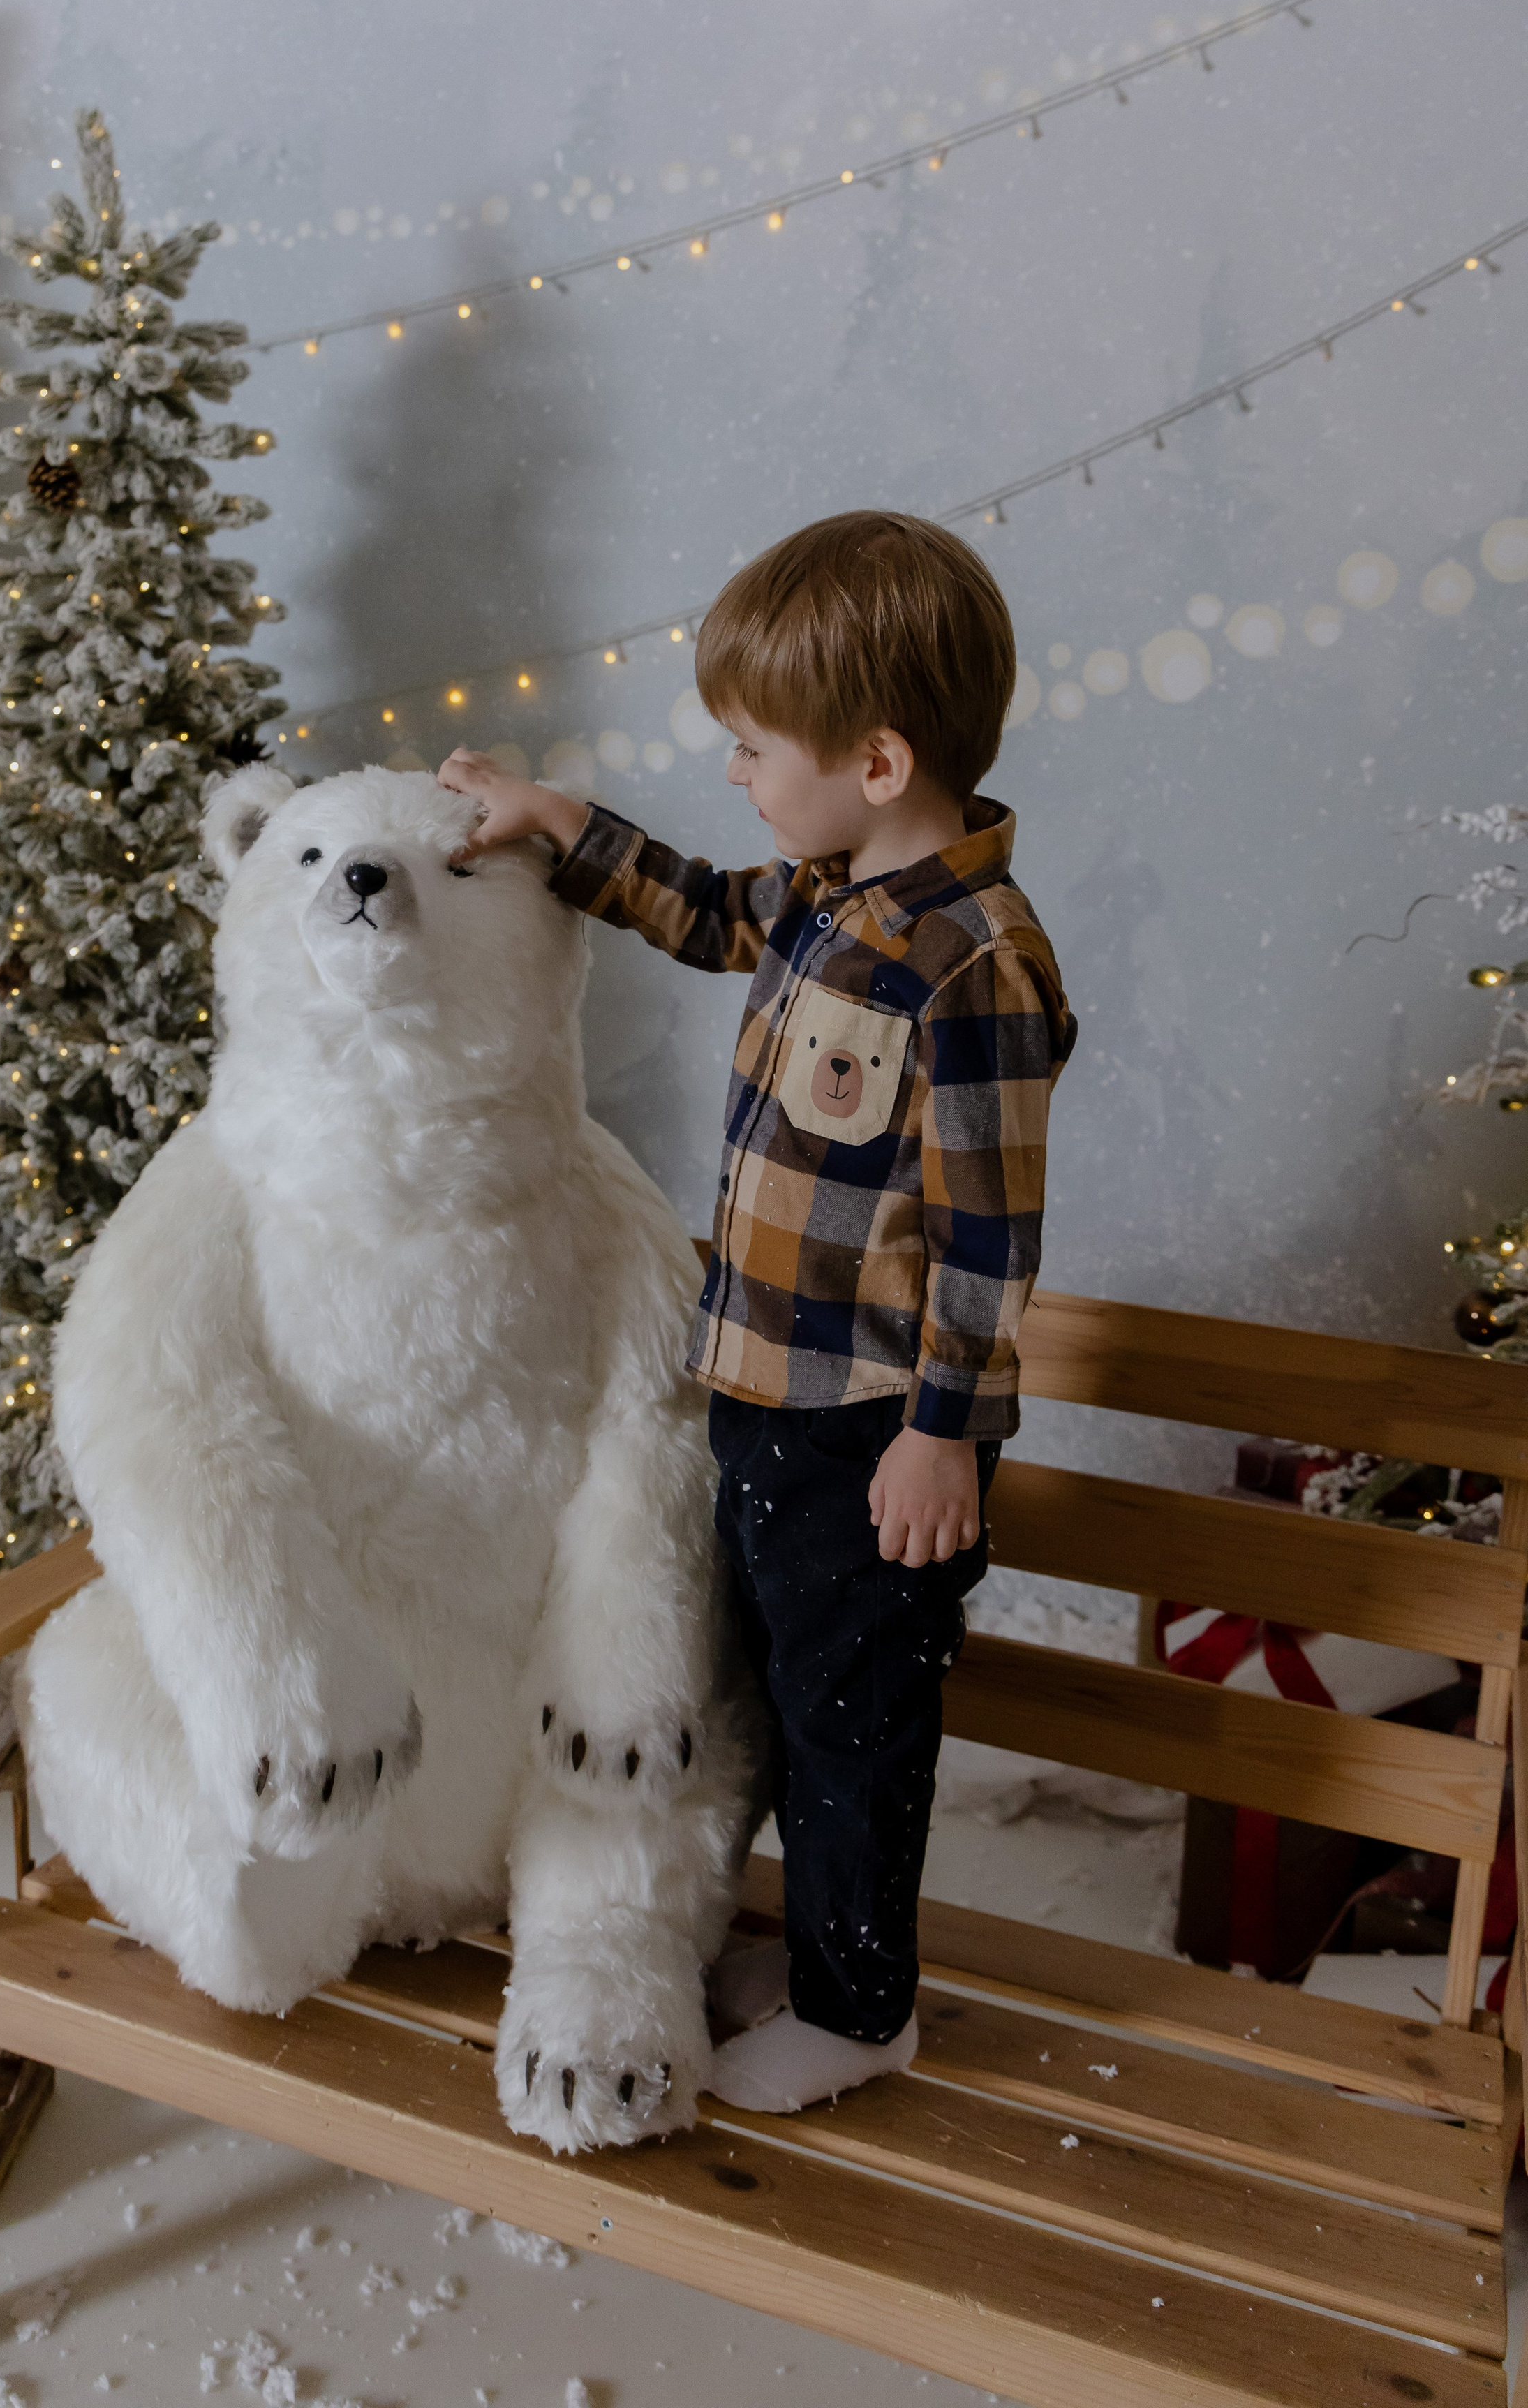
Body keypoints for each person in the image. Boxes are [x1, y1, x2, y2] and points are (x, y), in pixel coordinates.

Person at [438, 508, 1076, 2114]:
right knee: (783, 1698)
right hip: (768, 1401)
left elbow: (989, 1245)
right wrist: (552, 822)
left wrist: (942, 1436)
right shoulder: (820, 891)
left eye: (749, 747)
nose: (731, 771)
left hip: (874, 1433)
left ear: (873, 759)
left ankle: (863, 2012)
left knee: (855, 1723)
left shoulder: (969, 964)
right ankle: (811, 1952)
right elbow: (701, 908)